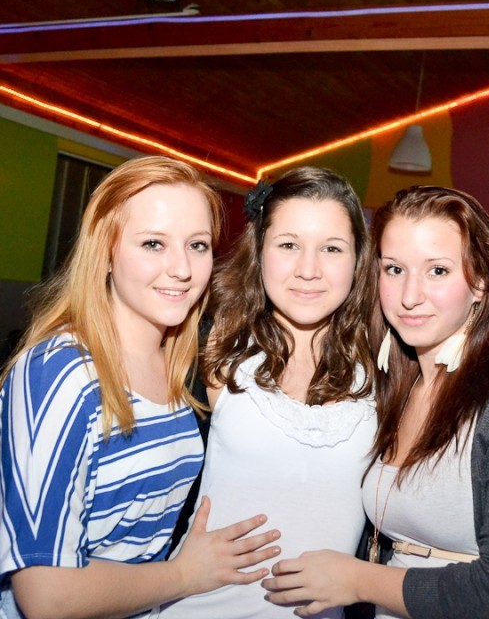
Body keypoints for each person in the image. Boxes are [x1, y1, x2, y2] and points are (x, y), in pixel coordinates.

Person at [0, 156, 280, 619]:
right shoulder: (61, 372)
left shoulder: (176, 366)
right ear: (105, 251)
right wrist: (185, 574)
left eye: (197, 245)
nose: (182, 268)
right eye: (153, 243)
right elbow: (47, 595)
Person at [262, 185, 489, 618]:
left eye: (438, 271)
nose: (410, 296)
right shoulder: (390, 387)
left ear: (481, 281)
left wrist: (355, 579)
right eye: (394, 269)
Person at [158, 167, 379, 619]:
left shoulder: (386, 366)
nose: (308, 270)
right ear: (260, 251)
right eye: (288, 245)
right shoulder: (212, 346)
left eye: (332, 248)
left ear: (358, 260)